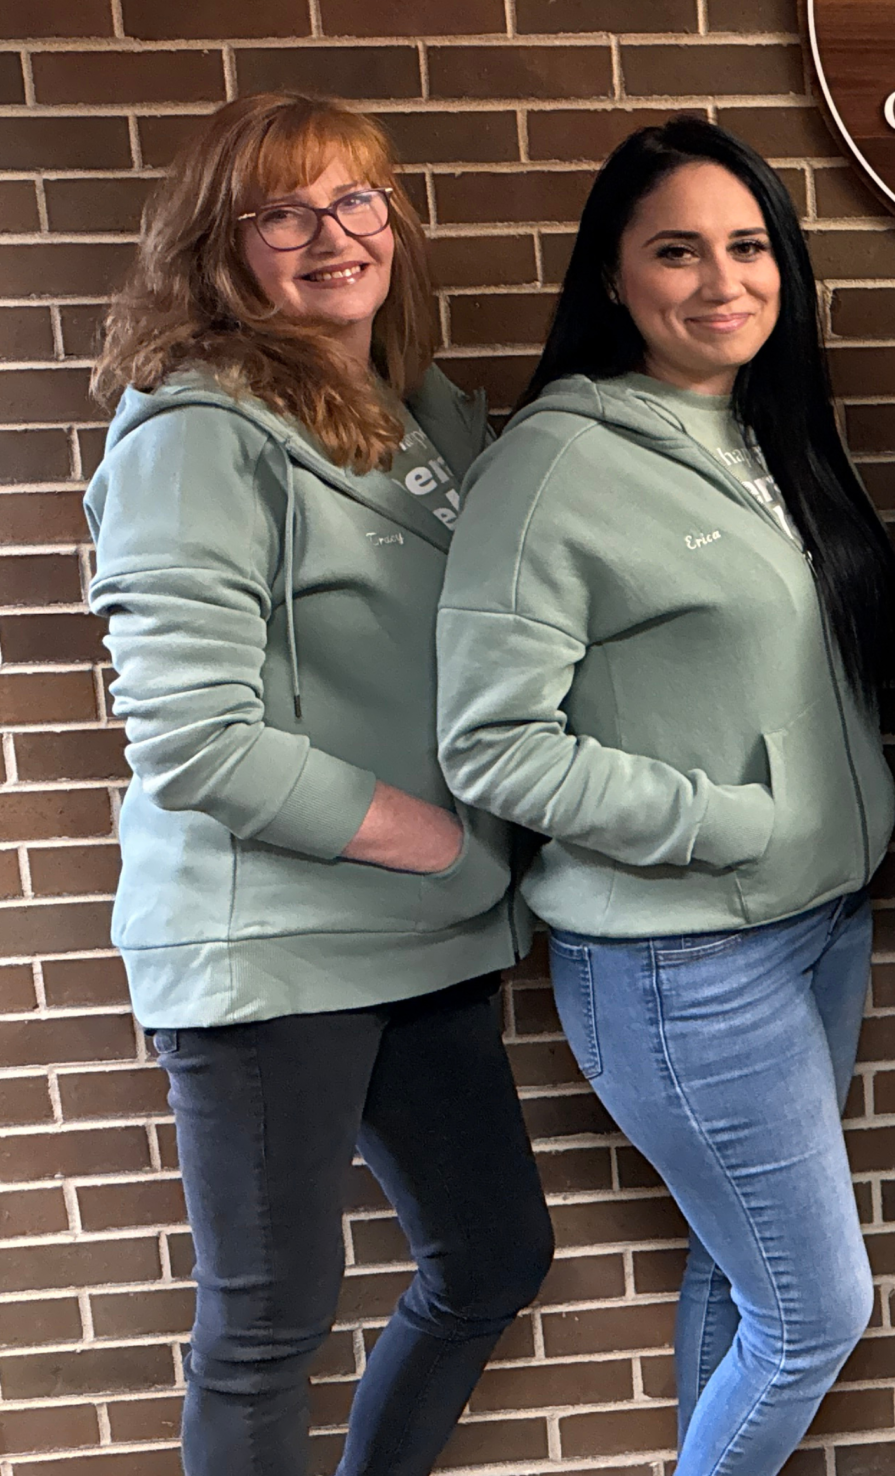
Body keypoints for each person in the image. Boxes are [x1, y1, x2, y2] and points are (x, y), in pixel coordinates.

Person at [84, 92, 550, 1475]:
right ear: (219, 250)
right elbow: (194, 739)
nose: (334, 234)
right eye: (285, 210)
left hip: (417, 938)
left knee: (494, 1257)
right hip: (276, 950)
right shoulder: (194, 431)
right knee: (264, 1330)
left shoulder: (410, 414)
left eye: (359, 199)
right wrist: (441, 845)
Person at [436, 117, 895, 1475]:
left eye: (748, 246)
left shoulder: (766, 432)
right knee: (819, 1312)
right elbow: (494, 745)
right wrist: (728, 821)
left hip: (818, 924)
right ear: (614, 278)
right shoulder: (558, 463)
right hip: (680, 959)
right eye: (677, 251)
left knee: (744, 1278)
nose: (722, 280)